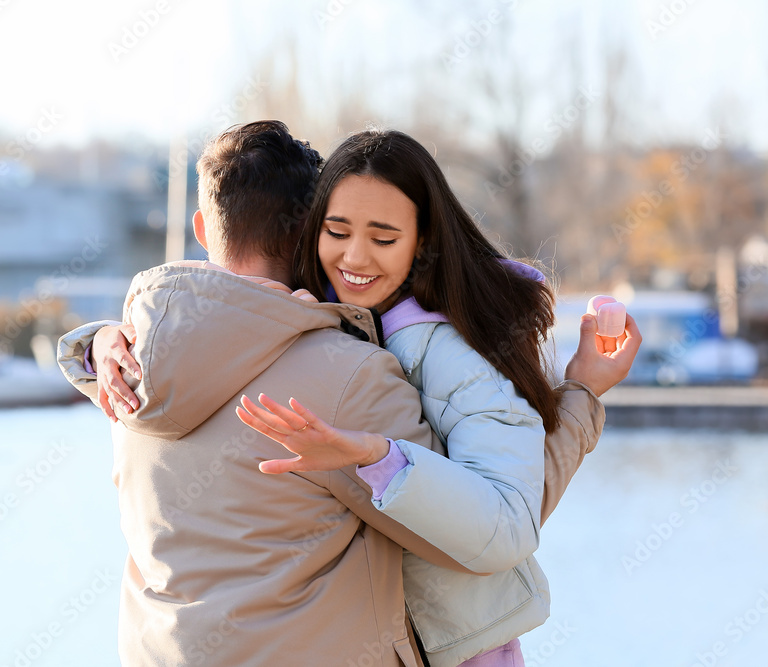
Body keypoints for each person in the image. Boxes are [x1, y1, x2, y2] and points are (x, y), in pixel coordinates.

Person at [56, 121, 635, 666]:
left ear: (203, 228)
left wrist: (93, 343)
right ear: (311, 230)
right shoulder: (349, 375)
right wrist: (581, 397)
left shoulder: (130, 366)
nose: (356, 254)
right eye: (340, 230)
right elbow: (492, 528)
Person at [234, 128, 642, 666]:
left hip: (457, 653)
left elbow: (510, 521)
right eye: (337, 231)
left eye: (383, 239)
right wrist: (98, 345)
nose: (355, 257)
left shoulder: (448, 352)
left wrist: (377, 459)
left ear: (421, 243)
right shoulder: (322, 322)